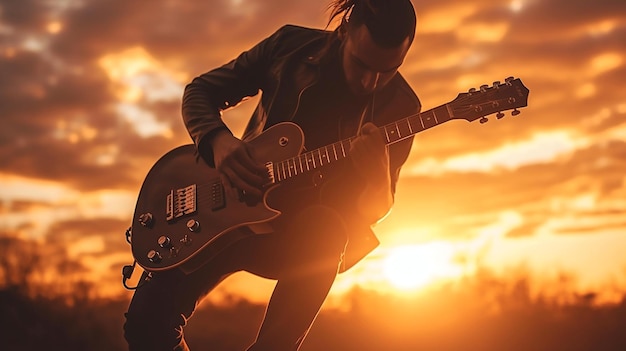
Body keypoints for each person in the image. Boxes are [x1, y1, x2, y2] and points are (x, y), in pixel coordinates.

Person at [123, 0, 421, 350]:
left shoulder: (402, 108)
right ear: (344, 32)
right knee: (145, 327)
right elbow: (200, 91)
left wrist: (377, 176)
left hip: (299, 241)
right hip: (233, 206)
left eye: (388, 71)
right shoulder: (289, 47)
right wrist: (219, 142)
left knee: (329, 227)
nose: (370, 81)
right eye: (360, 63)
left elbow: (375, 209)